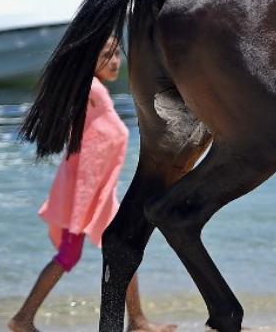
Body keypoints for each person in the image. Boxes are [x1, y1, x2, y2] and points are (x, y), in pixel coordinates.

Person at [9, 37, 175, 332]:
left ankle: (137, 320)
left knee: (122, 248)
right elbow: (88, 155)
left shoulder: (97, 92)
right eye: (106, 55)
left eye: (116, 55)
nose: (115, 62)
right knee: (71, 255)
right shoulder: (91, 90)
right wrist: (79, 213)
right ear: (90, 59)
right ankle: (23, 318)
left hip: (99, 197)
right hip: (84, 198)